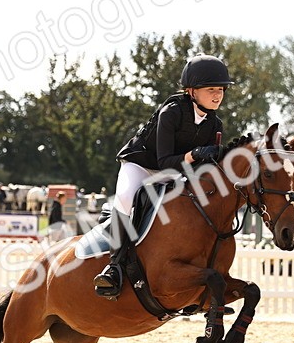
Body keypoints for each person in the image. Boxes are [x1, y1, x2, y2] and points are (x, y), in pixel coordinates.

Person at [93, 54, 233, 298]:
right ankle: (113, 266)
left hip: (175, 171)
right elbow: (164, 161)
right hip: (142, 164)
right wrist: (195, 154)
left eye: (221, 89)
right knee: (126, 198)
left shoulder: (215, 124)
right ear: (191, 91)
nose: (218, 95)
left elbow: (201, 169)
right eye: (211, 89)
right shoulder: (171, 112)